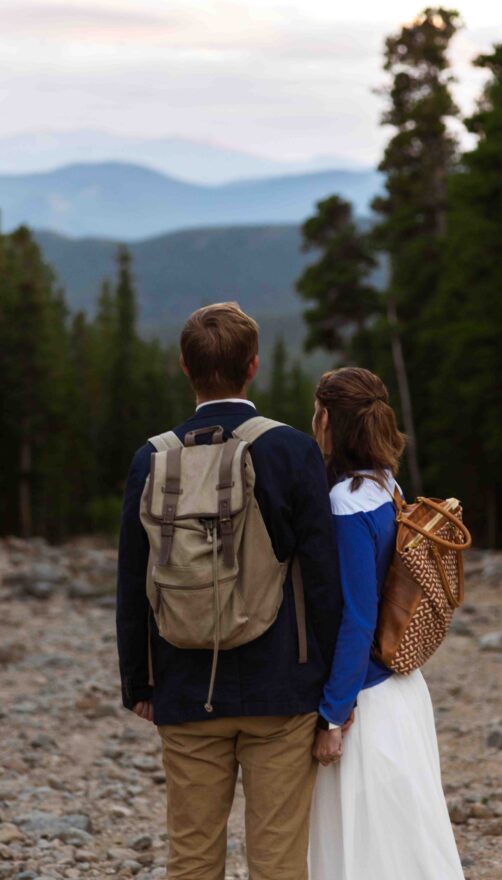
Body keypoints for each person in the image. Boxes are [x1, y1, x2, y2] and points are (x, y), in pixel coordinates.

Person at [116, 301, 343, 880]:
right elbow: (321, 577)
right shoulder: (292, 450)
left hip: (184, 685)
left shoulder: (153, 458)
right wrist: (334, 689)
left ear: (186, 369)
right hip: (283, 689)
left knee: (191, 858)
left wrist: (140, 684)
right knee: (278, 860)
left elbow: (132, 581)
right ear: (254, 367)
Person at [308, 366, 466, 880]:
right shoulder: (386, 484)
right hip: (403, 690)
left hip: (367, 703)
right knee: (408, 840)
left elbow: (357, 617)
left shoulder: (344, 501)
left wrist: (333, 716)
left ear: (328, 419)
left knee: (367, 850)